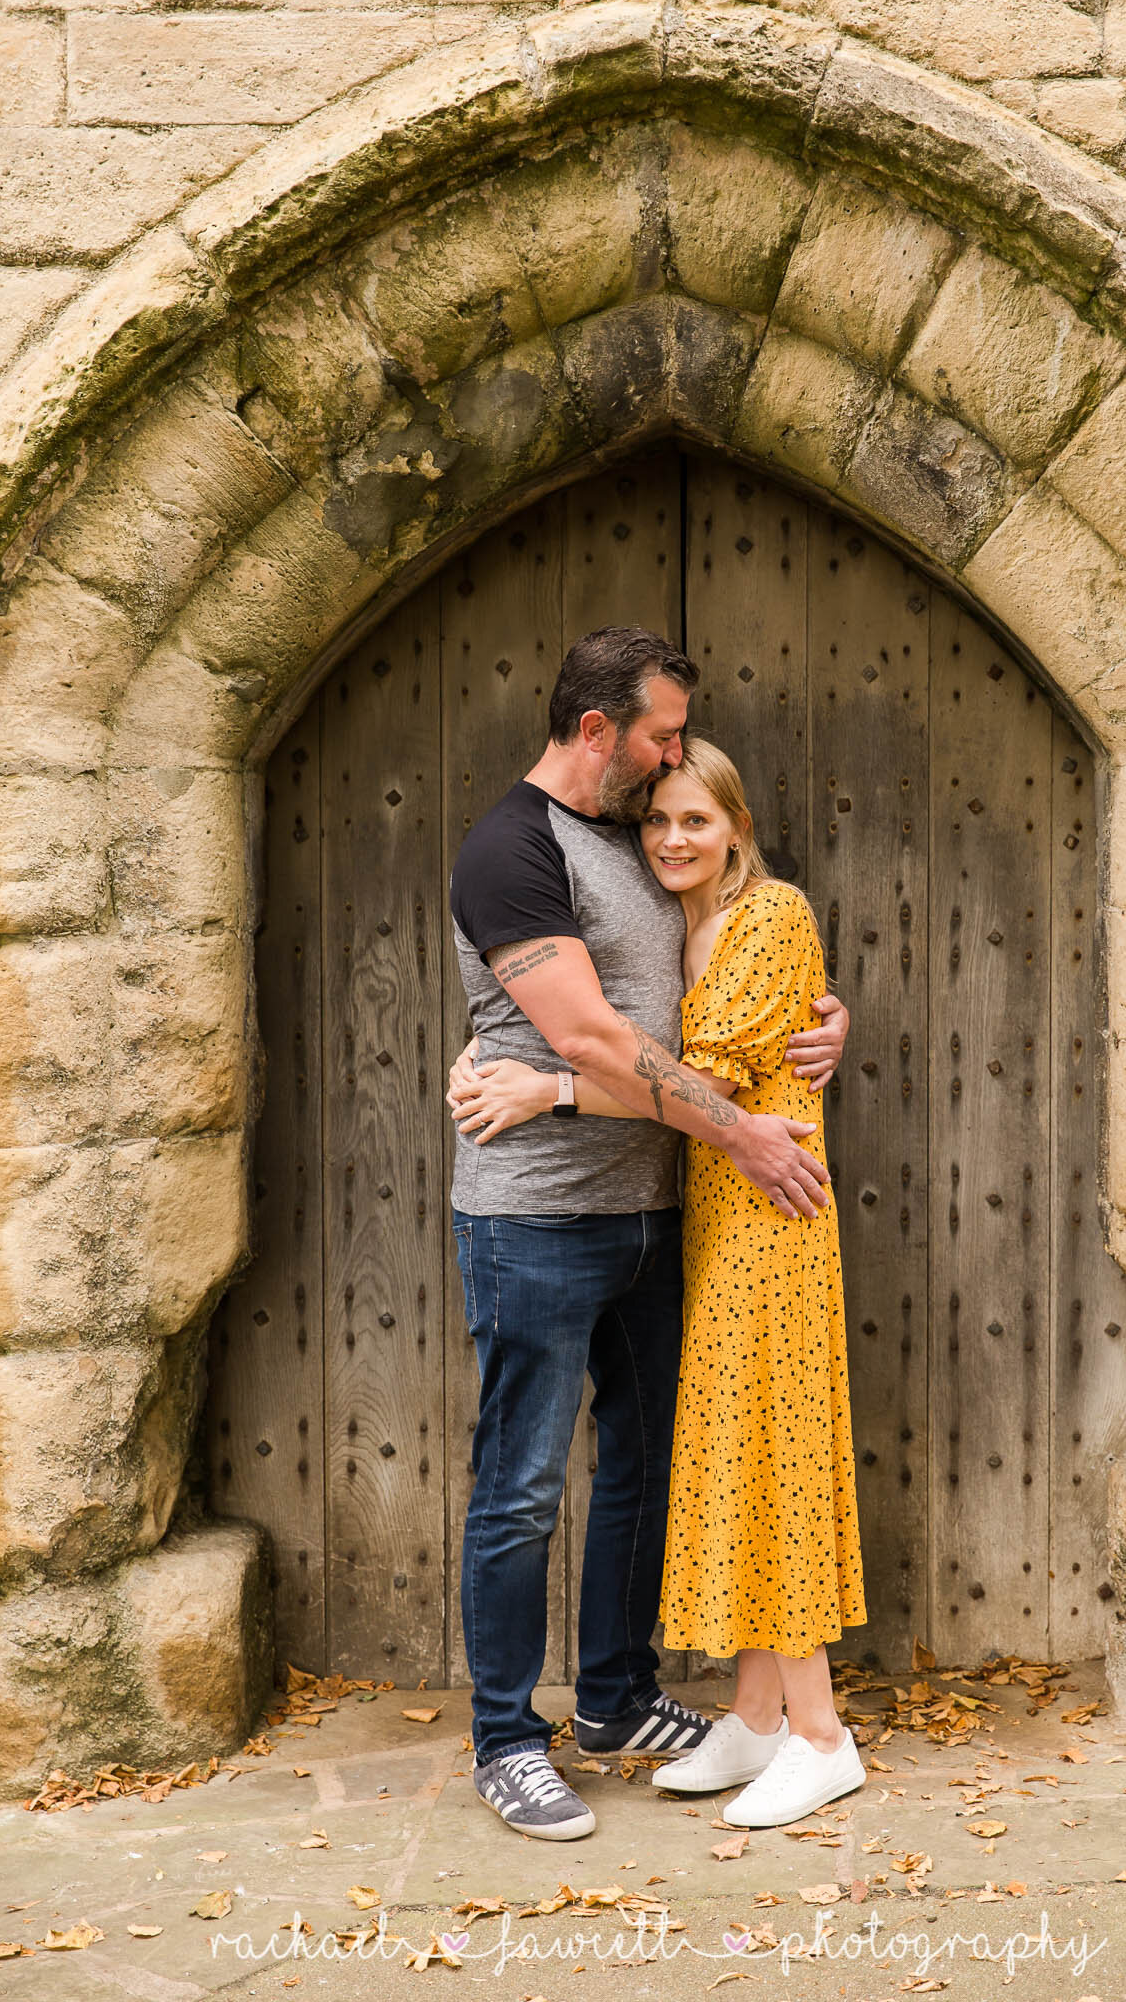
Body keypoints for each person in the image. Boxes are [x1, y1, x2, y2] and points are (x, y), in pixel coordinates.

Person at [447, 626, 850, 1841]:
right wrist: (572, 1090)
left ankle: (619, 1699)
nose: (675, 760)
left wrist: (826, 1019)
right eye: (661, 735)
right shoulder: (509, 852)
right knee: (520, 1488)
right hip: (538, 1219)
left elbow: (721, 964)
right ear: (595, 733)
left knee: (642, 1466)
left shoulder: (633, 835)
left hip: (662, 1212)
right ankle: (510, 1738)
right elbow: (592, 1035)